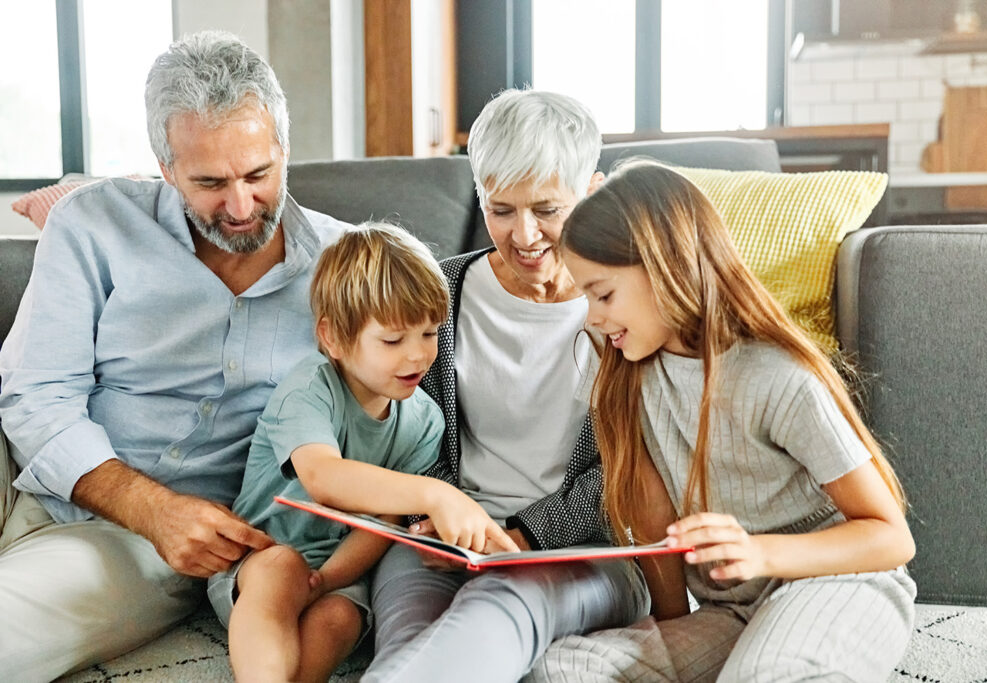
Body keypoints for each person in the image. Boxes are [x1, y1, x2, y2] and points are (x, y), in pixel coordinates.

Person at [0, 31, 350, 680]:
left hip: (143, 545)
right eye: (210, 182)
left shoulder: (348, 264)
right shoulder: (91, 225)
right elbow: (36, 395)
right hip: (41, 479)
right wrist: (149, 504)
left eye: (258, 174)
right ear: (164, 169)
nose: (241, 206)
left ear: (285, 149)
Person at [527, 160, 918, 683]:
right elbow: (650, 509)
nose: (592, 317)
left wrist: (758, 553)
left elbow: (891, 538)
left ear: (666, 267)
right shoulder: (620, 363)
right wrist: (675, 641)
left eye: (603, 294)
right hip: (731, 611)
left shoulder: (776, 376)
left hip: (837, 583)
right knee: (563, 669)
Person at [362, 89, 651, 683]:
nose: (524, 235)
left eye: (547, 209)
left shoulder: (628, 307)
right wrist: (436, 517)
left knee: (495, 610)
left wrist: (523, 534)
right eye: (501, 209)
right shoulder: (437, 295)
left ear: (591, 193)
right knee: (406, 636)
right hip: (446, 542)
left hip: (584, 550)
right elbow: (409, 434)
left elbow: (634, 464)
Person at [212, 222, 519, 683]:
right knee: (283, 568)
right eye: (393, 340)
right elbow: (323, 477)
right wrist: (436, 495)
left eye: (430, 333)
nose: (417, 356)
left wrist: (329, 579)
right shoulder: (310, 389)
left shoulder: (424, 419)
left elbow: (384, 526)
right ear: (333, 338)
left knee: (341, 618)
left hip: (339, 569)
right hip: (261, 557)